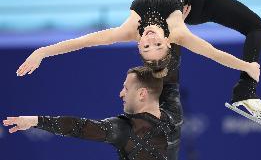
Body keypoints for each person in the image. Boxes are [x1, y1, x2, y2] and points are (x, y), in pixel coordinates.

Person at [16, 0, 261, 120]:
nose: (150, 38)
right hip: (196, 2)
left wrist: (42, 52)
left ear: (139, 43)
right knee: (257, 27)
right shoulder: (178, 31)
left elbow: (83, 41)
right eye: (157, 44)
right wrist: (247, 66)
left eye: (146, 45)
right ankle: (244, 92)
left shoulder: (127, 29)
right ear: (168, 42)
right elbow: (211, 52)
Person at [4, 66, 183, 160]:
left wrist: (36, 121)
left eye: (126, 89)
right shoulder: (174, 116)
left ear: (142, 93)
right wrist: (175, 30)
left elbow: (78, 127)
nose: (121, 93)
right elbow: (171, 79)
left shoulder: (124, 129)